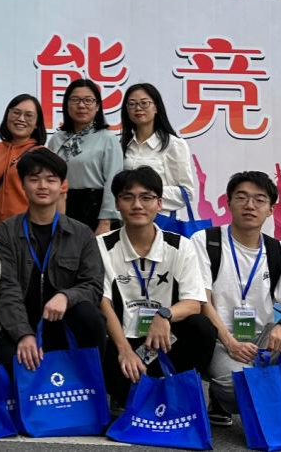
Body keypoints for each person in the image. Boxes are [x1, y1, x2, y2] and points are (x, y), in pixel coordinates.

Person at [192, 171, 281, 427]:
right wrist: (230, 342)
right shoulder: (205, 241)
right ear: (228, 203)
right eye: (242, 197)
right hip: (217, 341)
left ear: (271, 209)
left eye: (259, 200)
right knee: (238, 387)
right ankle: (221, 398)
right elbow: (201, 301)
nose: (250, 205)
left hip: (262, 340)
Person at [98, 167, 215, 406]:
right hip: (122, 340)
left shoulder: (181, 245)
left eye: (146, 197)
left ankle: (179, 392)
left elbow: (194, 303)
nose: (137, 205)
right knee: (93, 325)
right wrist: (125, 350)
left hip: (165, 338)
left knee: (202, 327)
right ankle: (122, 394)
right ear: (117, 203)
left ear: (159, 204)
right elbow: (104, 302)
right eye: (128, 197)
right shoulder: (101, 245)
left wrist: (164, 315)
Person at [0, 148, 106, 378]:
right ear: (23, 185)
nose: (42, 186)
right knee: (10, 363)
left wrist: (66, 296)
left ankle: (92, 384)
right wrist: (24, 334)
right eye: (34, 179)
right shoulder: (6, 232)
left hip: (64, 324)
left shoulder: (81, 233)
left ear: (62, 185)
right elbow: (6, 289)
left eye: (51, 180)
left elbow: (93, 286)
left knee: (90, 316)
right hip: (20, 324)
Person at [46, 78, 121, 234]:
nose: (81, 105)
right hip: (61, 208)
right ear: (67, 105)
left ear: (97, 106)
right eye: (75, 100)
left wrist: (105, 221)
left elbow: (113, 182)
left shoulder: (107, 138)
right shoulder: (57, 139)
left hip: (94, 210)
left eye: (88, 100)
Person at [120, 83, 197, 222]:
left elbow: (186, 193)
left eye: (144, 103)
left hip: (160, 222)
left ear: (156, 107)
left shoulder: (173, 144)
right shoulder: (122, 145)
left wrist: (146, 196)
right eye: (132, 104)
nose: (138, 108)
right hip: (126, 221)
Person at [0, 94, 48, 230]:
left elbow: (59, 193)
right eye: (16, 113)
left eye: (29, 115)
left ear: (37, 124)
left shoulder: (42, 155)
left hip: (30, 231)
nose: (21, 119)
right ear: (7, 115)